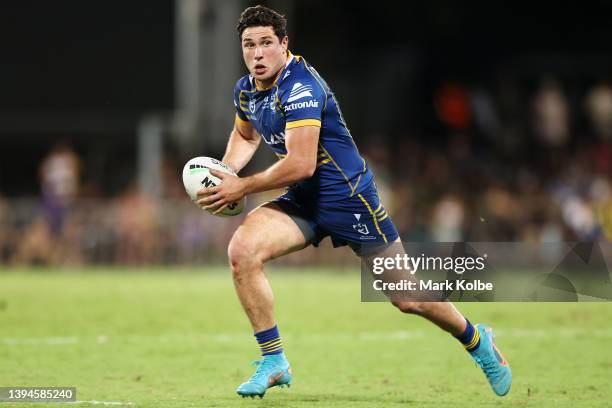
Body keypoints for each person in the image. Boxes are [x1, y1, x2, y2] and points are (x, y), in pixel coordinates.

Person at [197, 5, 511, 399]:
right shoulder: (246, 90)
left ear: (284, 44)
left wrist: (241, 187)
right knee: (242, 251)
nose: (257, 53)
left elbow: (300, 163)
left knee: (408, 298)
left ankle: (476, 339)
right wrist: (225, 172)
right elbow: (245, 137)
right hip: (305, 199)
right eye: (248, 45)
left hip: (349, 199)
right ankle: (274, 360)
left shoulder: (301, 88)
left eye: (265, 43)